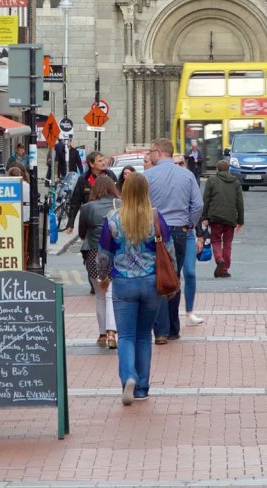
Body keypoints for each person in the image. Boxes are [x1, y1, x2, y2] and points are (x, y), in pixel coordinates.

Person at [97, 171, 176, 404]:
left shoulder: (113, 219)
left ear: (125, 191)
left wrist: (103, 276)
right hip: (151, 282)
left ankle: (128, 376)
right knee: (143, 335)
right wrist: (172, 280)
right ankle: (142, 387)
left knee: (126, 336)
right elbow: (169, 251)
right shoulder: (156, 218)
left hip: (123, 282)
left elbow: (104, 254)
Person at [145, 138, 203, 344]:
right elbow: (198, 205)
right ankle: (173, 328)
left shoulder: (148, 176)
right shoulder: (187, 175)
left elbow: (141, 205)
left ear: (160, 153)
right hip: (179, 231)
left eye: (151, 151)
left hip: (155, 229)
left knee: (157, 277)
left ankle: (161, 330)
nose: (149, 155)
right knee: (173, 278)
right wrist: (189, 223)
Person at [78, 175, 118, 348]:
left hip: (93, 253)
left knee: (100, 295)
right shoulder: (120, 205)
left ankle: (102, 333)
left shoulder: (87, 208)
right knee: (111, 294)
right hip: (116, 253)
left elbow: (81, 233)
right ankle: (112, 332)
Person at [174, 154, 204, 325]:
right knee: (173, 274)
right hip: (172, 231)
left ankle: (190, 311)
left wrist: (199, 234)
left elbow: (198, 207)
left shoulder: (189, 179)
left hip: (189, 232)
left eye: (181, 163)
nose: (179, 166)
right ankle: (172, 311)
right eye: (175, 163)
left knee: (190, 272)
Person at [202, 159, 244, 278]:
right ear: (228, 169)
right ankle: (224, 269)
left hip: (215, 217)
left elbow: (206, 199)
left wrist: (204, 216)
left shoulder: (212, 180)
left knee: (215, 241)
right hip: (230, 218)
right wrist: (240, 221)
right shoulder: (235, 182)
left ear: (217, 169)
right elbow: (239, 202)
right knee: (227, 243)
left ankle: (219, 259)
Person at [66, 151, 117, 232]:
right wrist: (70, 223)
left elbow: (117, 196)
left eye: (103, 160)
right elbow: (75, 202)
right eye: (100, 161)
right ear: (91, 164)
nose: (103, 163)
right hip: (91, 218)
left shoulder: (110, 175)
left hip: (108, 218)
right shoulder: (83, 179)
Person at [8, 164, 30, 264]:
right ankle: (24, 256)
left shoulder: (9, 187)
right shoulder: (28, 186)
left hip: (13, 222)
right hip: (26, 220)